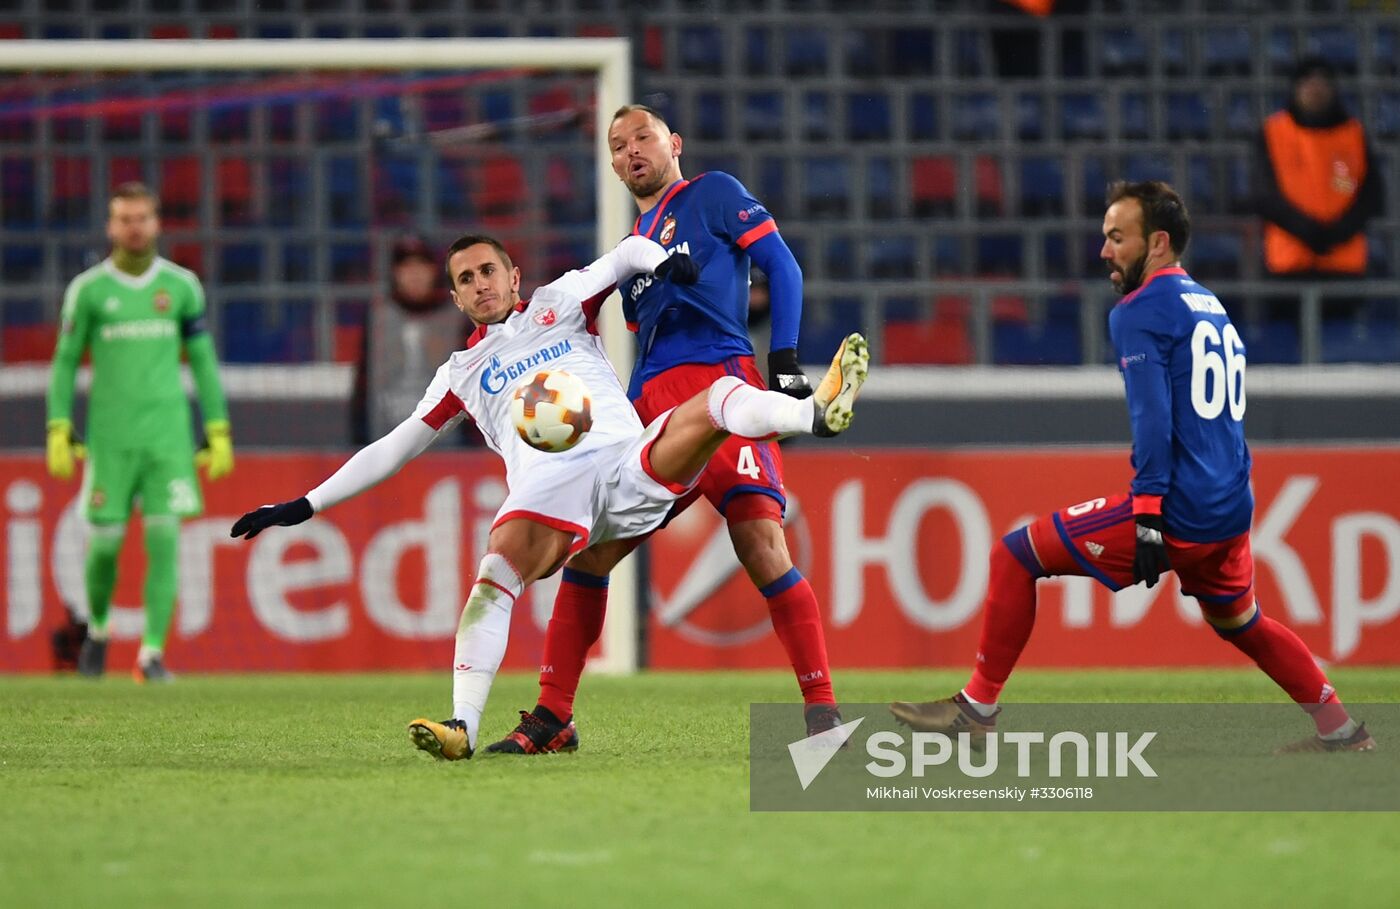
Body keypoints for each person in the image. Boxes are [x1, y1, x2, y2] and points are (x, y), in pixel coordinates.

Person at [229, 233, 869, 761]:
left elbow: (625, 255)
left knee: (718, 402)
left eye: (488, 271)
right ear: (454, 297)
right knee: (494, 574)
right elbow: (392, 448)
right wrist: (305, 504)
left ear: (514, 276)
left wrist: (663, 261)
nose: (480, 284)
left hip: (627, 469)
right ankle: (463, 727)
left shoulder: (557, 304)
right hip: (551, 494)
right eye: (466, 279)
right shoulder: (460, 374)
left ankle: (813, 412)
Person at [891, 181, 1374, 754]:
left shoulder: (1140, 311)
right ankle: (1340, 730)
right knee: (1242, 622)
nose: (1104, 251)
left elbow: (1152, 421)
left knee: (1015, 555)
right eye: (1105, 237)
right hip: (1230, 504)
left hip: (1179, 508)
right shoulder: (1210, 305)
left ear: (1159, 242)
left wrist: (1147, 515)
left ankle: (977, 709)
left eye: (1117, 237)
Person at [489, 103, 847, 755]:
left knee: (763, 546)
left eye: (641, 137)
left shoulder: (711, 195)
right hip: (655, 410)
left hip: (724, 389)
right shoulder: (634, 248)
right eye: (616, 144)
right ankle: (553, 716)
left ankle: (822, 717)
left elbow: (783, 266)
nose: (630, 150)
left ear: (672, 142)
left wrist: (787, 360)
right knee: (592, 553)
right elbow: (643, 344)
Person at [47, 182, 234, 683]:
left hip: (167, 441)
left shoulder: (180, 287)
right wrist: (58, 424)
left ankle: (151, 655)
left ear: (156, 224)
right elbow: (65, 363)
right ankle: (100, 630)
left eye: (142, 218)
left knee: (165, 543)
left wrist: (217, 426)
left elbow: (202, 361)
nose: (134, 227)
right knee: (104, 548)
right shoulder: (88, 291)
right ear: (111, 227)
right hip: (109, 440)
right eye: (124, 219)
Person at [1254, 57, 1385, 285]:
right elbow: (1263, 195)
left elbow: (1372, 195)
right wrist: (1307, 231)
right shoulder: (1273, 131)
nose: (1316, 90)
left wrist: (1338, 233)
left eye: (1323, 83)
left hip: (1345, 264)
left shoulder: (1353, 133)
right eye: (1308, 83)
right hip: (1288, 262)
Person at [350, 233, 473, 446]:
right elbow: (363, 382)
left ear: (435, 271)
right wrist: (359, 438)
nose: (414, 275)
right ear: (395, 274)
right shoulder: (378, 317)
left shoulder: (458, 318)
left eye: (421, 266)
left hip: (449, 449)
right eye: (406, 267)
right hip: (386, 446)